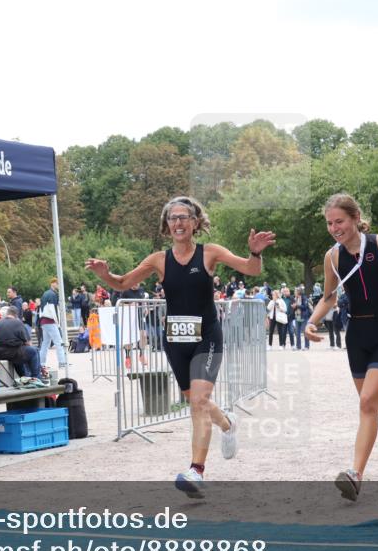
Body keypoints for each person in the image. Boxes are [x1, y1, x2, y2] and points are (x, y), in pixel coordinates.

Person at [85, 195, 275, 497]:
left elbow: (251, 270)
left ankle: (196, 470)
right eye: (172, 218)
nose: (178, 222)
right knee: (195, 401)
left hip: (206, 337)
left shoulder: (210, 253)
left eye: (184, 217)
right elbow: (122, 283)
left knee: (199, 401)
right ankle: (228, 423)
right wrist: (104, 274)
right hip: (175, 342)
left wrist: (254, 252)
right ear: (167, 224)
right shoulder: (158, 260)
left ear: (195, 222)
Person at [304, 193, 378, 501]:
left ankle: (355, 474)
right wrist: (311, 321)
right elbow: (329, 297)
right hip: (357, 333)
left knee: (366, 402)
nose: (334, 228)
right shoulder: (332, 257)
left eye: (340, 221)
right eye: (329, 223)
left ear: (356, 218)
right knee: (369, 399)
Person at [0, 306, 43, 378]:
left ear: (7, 313)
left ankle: (25, 377)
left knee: (19, 354)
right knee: (34, 351)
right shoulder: (17, 323)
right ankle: (36, 378)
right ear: (16, 315)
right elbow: (28, 343)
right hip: (10, 352)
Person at [39, 277, 68, 371]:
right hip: (50, 321)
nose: (59, 285)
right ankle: (62, 363)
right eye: (57, 283)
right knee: (59, 342)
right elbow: (53, 309)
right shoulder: (52, 294)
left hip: (44, 321)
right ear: (53, 283)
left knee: (45, 343)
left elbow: (42, 308)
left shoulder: (45, 293)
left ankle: (41, 363)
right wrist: (57, 322)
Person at [291, 285, 311, 350]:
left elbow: (305, 307)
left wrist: (297, 305)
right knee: (297, 332)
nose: (294, 292)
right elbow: (295, 308)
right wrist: (294, 307)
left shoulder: (304, 297)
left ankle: (306, 346)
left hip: (304, 316)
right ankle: (298, 346)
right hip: (297, 316)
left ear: (298, 292)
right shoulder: (295, 298)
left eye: (295, 291)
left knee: (305, 331)